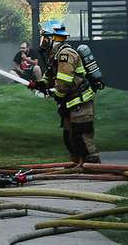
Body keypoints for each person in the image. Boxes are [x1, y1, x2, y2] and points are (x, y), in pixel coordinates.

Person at [36, 20, 100, 168]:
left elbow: (63, 82)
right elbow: (50, 75)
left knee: (82, 137)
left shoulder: (66, 54)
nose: (43, 42)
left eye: (45, 38)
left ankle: (94, 167)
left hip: (80, 103)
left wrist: (56, 94)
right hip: (70, 103)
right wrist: (41, 84)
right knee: (69, 137)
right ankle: (78, 164)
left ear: (53, 38)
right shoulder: (56, 55)